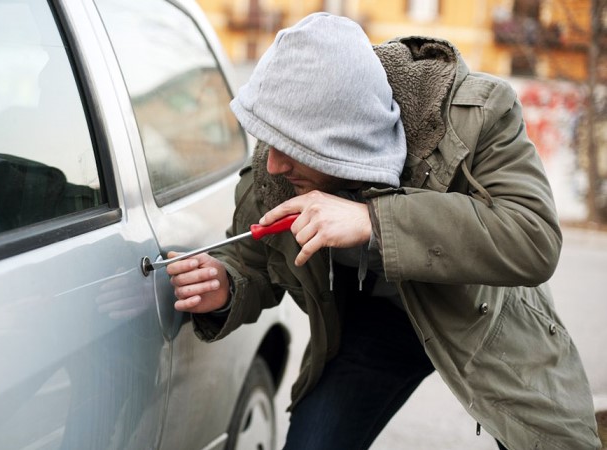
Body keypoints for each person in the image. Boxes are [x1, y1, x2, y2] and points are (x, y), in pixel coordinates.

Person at [166, 12, 601, 450]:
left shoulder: (478, 114)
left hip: (484, 317)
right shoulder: (276, 167)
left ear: (342, 140)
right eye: (270, 141)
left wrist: (372, 221)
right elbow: (253, 259)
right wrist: (226, 284)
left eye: (292, 149)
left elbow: (532, 238)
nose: (275, 163)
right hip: (376, 329)